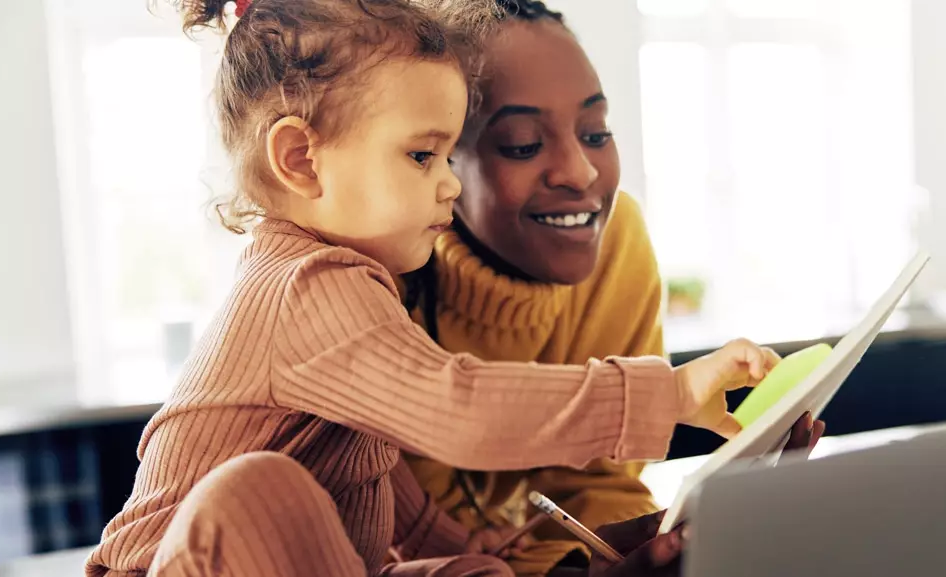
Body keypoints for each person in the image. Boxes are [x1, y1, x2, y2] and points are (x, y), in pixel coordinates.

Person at [84, 0, 781, 575]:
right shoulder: (304, 288)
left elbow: (396, 498)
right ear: (301, 159)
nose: (448, 180)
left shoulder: (359, 288)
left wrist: (511, 549)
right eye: (422, 155)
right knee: (255, 491)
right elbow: (461, 409)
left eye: (449, 154)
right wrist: (672, 393)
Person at [400, 1, 825, 575]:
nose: (579, 172)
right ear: (439, 159)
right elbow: (399, 537)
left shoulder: (615, 238)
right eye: (524, 144)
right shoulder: (374, 281)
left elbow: (600, 480)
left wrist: (663, 534)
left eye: (596, 131)